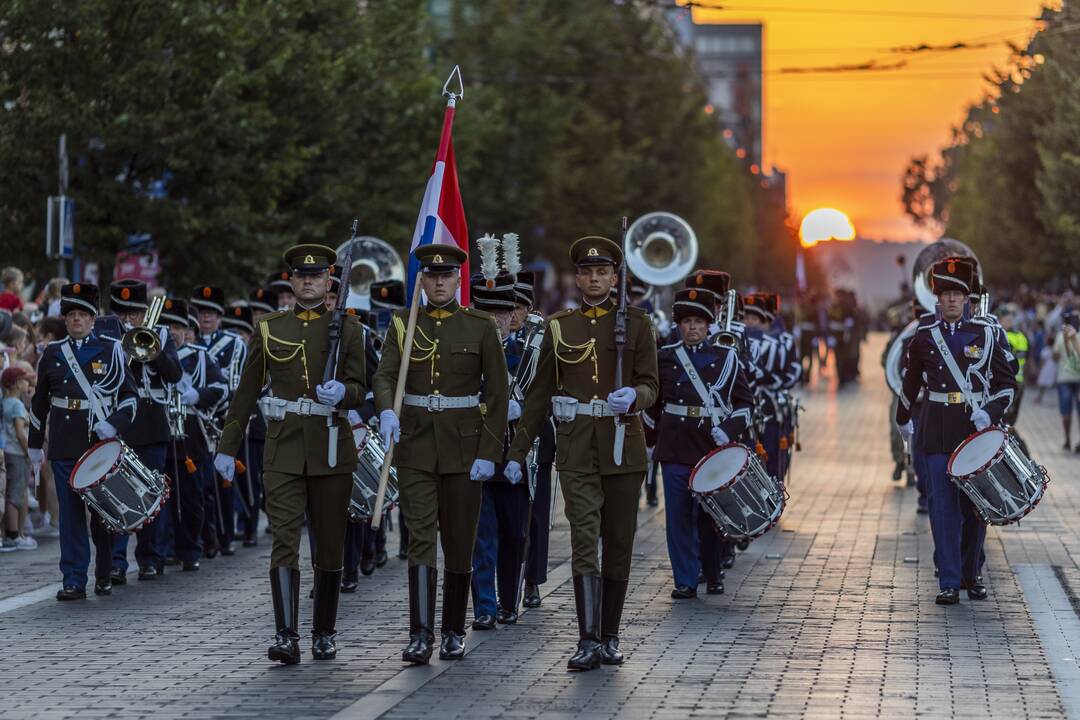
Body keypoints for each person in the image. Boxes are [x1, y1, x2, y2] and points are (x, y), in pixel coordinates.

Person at [506, 236, 658, 671]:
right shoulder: (559, 326)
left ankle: (610, 635)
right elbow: (538, 398)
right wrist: (518, 452)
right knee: (583, 539)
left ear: (615, 277)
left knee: (619, 544)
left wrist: (634, 396)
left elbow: (651, 385)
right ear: (578, 277)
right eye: (587, 272)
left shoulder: (638, 324)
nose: (594, 278)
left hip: (622, 447)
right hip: (576, 450)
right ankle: (587, 638)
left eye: (602, 272)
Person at [215, 244, 367, 665]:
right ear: (291, 280)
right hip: (283, 448)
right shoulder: (269, 327)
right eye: (300, 276)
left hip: (331, 446)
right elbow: (246, 393)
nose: (307, 281)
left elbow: (360, 387)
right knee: (283, 539)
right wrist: (227, 446)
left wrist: (345, 394)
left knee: (330, 546)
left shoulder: (349, 330)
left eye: (315, 276)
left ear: (329, 281)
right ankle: (286, 635)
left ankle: (323, 632)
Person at [373, 243, 508, 665]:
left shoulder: (480, 325)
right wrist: (385, 412)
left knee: (459, 542)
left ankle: (452, 630)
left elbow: (498, 393)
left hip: (464, 448)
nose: (438, 282)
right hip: (414, 444)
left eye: (445, 276)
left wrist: (490, 450)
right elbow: (386, 376)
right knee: (419, 540)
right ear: (421, 281)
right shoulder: (402, 322)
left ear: (458, 279)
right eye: (430, 276)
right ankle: (420, 634)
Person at [896, 258, 1016, 605]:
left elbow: (1007, 384)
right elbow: (910, 383)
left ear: (967, 299)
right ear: (937, 298)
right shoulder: (923, 337)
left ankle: (971, 573)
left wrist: (990, 412)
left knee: (975, 508)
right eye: (945, 294)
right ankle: (949, 580)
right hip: (935, 431)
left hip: (972, 430)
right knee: (943, 508)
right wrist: (903, 419)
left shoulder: (986, 334)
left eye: (958, 294)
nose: (951, 300)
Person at [28, 283, 139, 599]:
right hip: (64, 443)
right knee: (70, 514)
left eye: (82, 314)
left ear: (93, 319)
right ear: (64, 319)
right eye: (71, 314)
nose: (76, 320)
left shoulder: (110, 348)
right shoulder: (51, 353)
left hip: (97, 444)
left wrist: (113, 424)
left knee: (102, 514)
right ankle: (73, 578)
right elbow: (39, 404)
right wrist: (35, 445)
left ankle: (104, 571)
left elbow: (130, 397)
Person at [649, 288, 753, 599]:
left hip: (710, 447)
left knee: (710, 516)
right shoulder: (665, 357)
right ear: (678, 325)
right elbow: (652, 404)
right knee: (678, 516)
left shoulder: (726, 358)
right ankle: (685, 580)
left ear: (709, 325)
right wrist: (651, 440)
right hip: (676, 445)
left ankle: (712, 571)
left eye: (698, 321)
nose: (692, 327)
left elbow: (746, 403)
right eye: (686, 321)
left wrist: (729, 429)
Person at [106, 280, 183, 582]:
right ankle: (116, 562)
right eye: (123, 314)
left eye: (135, 314)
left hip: (152, 421)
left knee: (151, 494)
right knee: (117, 495)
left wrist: (153, 351)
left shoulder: (161, 334)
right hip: (121, 421)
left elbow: (175, 374)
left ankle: (151, 557)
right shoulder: (106, 336)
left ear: (144, 313)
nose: (129, 320)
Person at [468, 269, 528, 630]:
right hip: (477, 452)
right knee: (481, 534)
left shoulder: (527, 351)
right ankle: (485, 607)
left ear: (513, 314)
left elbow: (544, 397)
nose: (496, 320)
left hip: (514, 454)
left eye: (503, 313)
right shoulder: (465, 351)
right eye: (487, 313)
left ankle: (508, 600)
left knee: (514, 533)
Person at [161, 298, 228, 571]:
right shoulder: (151, 354)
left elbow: (222, 389)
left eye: (179, 326)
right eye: (168, 326)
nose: (173, 331)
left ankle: (190, 549)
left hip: (190, 435)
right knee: (161, 499)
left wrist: (198, 394)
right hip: (160, 432)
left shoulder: (199, 355)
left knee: (191, 498)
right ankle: (163, 550)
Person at [191, 285, 247, 556]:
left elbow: (235, 383)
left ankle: (225, 536)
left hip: (222, 419)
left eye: (211, 313)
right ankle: (205, 535)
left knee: (224, 482)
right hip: (195, 421)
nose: (206, 318)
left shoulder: (234, 343)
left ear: (220, 316)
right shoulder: (191, 342)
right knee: (200, 483)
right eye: (202, 312)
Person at [3, 366, 36, 550]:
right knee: (15, 494)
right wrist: (28, 451)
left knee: (15, 492)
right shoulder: (16, 405)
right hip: (17, 453)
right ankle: (14, 535)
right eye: (24, 380)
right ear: (15, 384)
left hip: (9, 451)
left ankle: (16, 533)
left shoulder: (6, 402)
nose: (27, 383)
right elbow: (20, 432)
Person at [1053, 319, 1080, 450]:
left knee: (1066, 412)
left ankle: (1067, 439)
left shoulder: (1060, 336)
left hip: (1064, 378)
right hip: (1075, 379)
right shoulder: (1063, 336)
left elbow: (1055, 357)